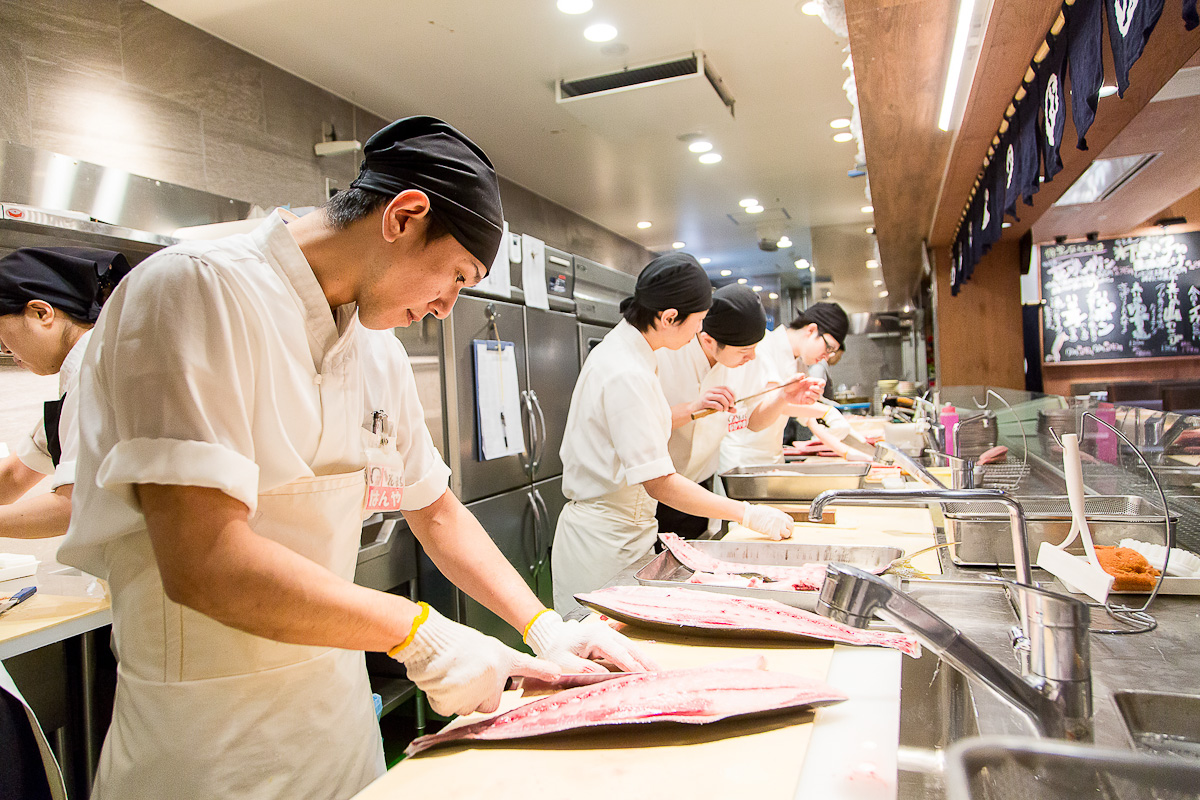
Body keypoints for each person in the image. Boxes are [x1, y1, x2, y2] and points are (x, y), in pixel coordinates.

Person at [57, 116, 655, 800]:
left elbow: (433, 508)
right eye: (455, 277)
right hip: (203, 747)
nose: (443, 308)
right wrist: (419, 633)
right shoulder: (194, 290)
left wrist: (543, 627)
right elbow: (204, 561)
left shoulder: (376, 350)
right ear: (403, 217)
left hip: (339, 731)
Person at [551, 254, 821, 615]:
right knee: (599, 656)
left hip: (628, 531)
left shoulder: (635, 353)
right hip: (604, 541)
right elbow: (659, 482)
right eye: (696, 323)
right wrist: (747, 514)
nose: (699, 333)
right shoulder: (628, 371)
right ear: (668, 318)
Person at [0, 247, 131, 539]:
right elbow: (14, 475)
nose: (7, 352)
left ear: (40, 313)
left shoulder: (99, 372)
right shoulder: (88, 368)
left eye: (1, 336)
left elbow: (73, 507)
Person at [656, 284, 803, 538]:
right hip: (657, 489)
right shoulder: (666, 355)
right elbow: (640, 424)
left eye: (756, 347)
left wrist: (782, 397)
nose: (753, 357)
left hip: (701, 487)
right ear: (708, 341)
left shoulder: (746, 362)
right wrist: (693, 409)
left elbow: (752, 421)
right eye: (745, 351)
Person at [719, 301, 856, 472]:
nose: (826, 357)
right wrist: (826, 411)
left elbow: (808, 418)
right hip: (742, 457)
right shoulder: (763, 345)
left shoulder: (799, 363)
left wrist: (847, 453)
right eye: (828, 348)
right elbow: (776, 402)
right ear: (811, 330)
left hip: (772, 458)